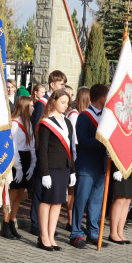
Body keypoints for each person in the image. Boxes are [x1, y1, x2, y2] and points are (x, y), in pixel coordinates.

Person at [35, 89, 74, 251]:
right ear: (53, 102)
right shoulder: (46, 122)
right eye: (62, 102)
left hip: (63, 168)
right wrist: (44, 173)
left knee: (58, 202)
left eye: (67, 103)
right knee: (46, 202)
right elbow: (41, 150)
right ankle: (43, 236)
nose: (65, 106)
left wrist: (72, 170)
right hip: (50, 168)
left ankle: (51, 235)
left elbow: (71, 149)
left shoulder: (68, 122)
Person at [69, 84, 108, 248]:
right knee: (81, 200)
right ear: (102, 98)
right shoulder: (85, 116)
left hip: (101, 165)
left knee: (96, 202)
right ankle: (76, 234)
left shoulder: (106, 117)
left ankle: (93, 232)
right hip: (86, 166)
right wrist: (104, 141)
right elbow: (83, 141)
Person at [29, 71, 66, 235]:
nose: (63, 87)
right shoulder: (42, 104)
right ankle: (36, 224)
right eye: (61, 84)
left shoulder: (55, 103)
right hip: (43, 153)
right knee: (40, 192)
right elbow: (39, 128)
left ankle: (47, 227)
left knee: (51, 194)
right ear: (52, 84)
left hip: (55, 157)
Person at [2, 95, 35, 240]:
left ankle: (12, 221)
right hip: (17, 159)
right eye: (31, 106)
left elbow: (32, 144)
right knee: (12, 195)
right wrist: (19, 167)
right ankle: (5, 224)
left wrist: (33, 163)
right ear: (25, 107)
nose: (33, 108)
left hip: (26, 158)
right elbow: (13, 146)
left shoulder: (28, 122)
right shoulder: (15, 123)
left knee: (20, 194)